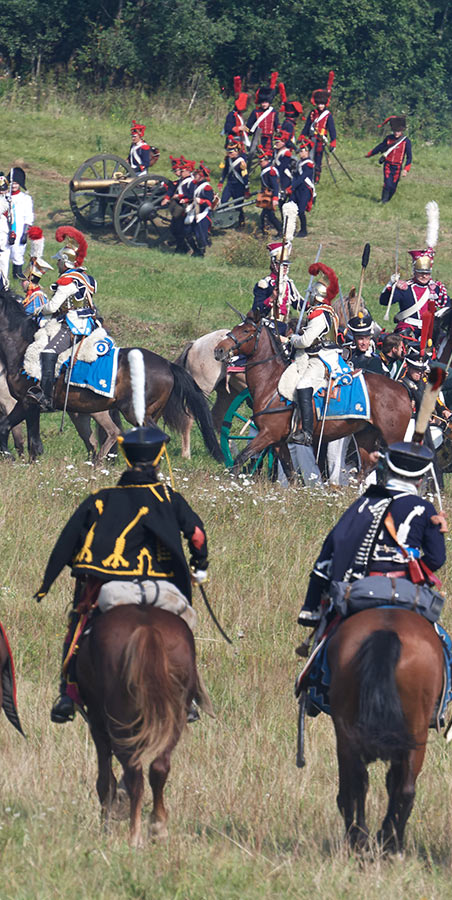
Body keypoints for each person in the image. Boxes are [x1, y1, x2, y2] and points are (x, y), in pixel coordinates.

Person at [34, 423, 209, 723]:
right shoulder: (170, 497)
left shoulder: (102, 498)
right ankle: (187, 694)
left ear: (126, 457)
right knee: (183, 627)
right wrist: (200, 566)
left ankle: (68, 694)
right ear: (159, 458)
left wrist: (63, 574)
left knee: (79, 622)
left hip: (113, 588)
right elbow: (197, 536)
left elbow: (70, 539)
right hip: (162, 588)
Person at [298, 441, 447, 626]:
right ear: (420, 479)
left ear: (388, 470)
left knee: (327, 631)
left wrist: (314, 599)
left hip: (364, 584)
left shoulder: (367, 502)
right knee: (441, 640)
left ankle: (311, 613)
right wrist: (411, 571)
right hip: (407, 587)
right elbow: (437, 558)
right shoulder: (426, 508)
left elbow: (335, 543)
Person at [30, 226, 98, 410]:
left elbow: (52, 306)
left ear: (65, 262)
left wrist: (39, 310)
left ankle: (46, 398)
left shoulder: (67, 281)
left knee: (48, 352)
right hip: (90, 322)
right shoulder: (85, 277)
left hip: (74, 324)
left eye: (59, 260)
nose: (58, 264)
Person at [287, 263, 340, 445]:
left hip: (322, 358)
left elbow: (305, 341)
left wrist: (293, 339)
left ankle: (307, 432)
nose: (308, 297)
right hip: (320, 355)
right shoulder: (327, 312)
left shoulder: (318, 315)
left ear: (316, 296)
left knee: (303, 385)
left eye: (311, 294)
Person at [379, 203, 449, 340]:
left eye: (427, 273)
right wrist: (391, 285)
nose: (424, 276)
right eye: (421, 272)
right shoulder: (405, 287)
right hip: (408, 329)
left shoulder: (437, 288)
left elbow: (447, 308)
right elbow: (384, 301)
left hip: (430, 331)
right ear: (414, 272)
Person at [365, 116, 412, 203]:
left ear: (402, 130)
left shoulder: (406, 141)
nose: (396, 133)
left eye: (398, 131)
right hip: (387, 164)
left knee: (393, 187)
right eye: (395, 131)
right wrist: (370, 154)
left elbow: (409, 157)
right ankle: (383, 201)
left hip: (398, 167)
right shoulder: (388, 138)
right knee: (387, 184)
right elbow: (380, 147)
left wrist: (406, 169)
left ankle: (387, 200)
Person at [300, 72, 336, 184]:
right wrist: (302, 135)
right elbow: (307, 126)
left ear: (325, 104)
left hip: (321, 139)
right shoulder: (312, 113)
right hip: (311, 138)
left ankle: (316, 178)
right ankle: (308, 176)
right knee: (309, 158)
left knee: (318, 159)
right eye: (319, 103)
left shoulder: (328, 115)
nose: (320, 105)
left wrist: (333, 141)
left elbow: (332, 129)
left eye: (322, 104)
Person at [252, 241, 303, 320]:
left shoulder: (288, 283)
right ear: (273, 264)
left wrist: (311, 306)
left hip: (285, 320)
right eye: (282, 264)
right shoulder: (264, 284)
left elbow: (297, 302)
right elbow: (257, 308)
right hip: (267, 321)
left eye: (286, 265)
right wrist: (271, 298)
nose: (285, 267)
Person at [7, 167, 34, 281]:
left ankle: (16, 277)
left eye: (16, 183)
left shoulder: (25, 199)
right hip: (5, 229)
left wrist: (25, 233)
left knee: (17, 254)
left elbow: (28, 217)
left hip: (19, 230)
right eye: (12, 183)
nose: (13, 186)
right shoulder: (5, 197)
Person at [217, 136, 249, 227]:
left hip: (239, 186)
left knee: (238, 206)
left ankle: (241, 222)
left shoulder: (241, 162)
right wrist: (221, 182)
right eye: (228, 152)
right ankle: (228, 219)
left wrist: (246, 189)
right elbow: (225, 171)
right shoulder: (228, 159)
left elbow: (245, 176)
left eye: (231, 152)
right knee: (223, 202)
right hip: (230, 185)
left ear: (237, 151)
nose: (229, 154)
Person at [20, 226, 53, 316]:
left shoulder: (37, 297)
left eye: (23, 280)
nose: (21, 283)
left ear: (30, 281)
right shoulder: (32, 295)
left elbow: (28, 316)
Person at [186, 162, 216, 257]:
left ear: (202, 176)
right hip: (194, 211)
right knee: (187, 232)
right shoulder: (196, 185)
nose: (195, 175)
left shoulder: (207, 187)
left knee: (200, 236)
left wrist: (201, 200)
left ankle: (201, 253)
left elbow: (209, 203)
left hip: (203, 214)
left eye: (197, 174)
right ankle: (195, 250)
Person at [245, 78, 279, 158]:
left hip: (269, 138)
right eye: (262, 102)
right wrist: (245, 135)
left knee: (270, 156)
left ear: (269, 102)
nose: (264, 104)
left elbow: (276, 123)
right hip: (258, 138)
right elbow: (249, 125)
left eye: (266, 102)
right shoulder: (255, 112)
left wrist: (278, 130)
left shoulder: (273, 112)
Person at [291, 136, 316, 237]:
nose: (300, 153)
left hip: (305, 189)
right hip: (298, 188)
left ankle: (304, 230)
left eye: (302, 151)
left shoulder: (309, 164)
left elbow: (303, 177)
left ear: (307, 152)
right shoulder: (300, 162)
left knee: (301, 210)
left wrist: (292, 186)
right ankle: (291, 228)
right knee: (291, 207)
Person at [258, 149, 282, 237]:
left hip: (271, 195)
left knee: (269, 216)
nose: (260, 163)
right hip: (266, 194)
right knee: (265, 215)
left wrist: (275, 198)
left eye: (262, 161)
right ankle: (264, 232)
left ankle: (280, 231)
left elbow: (275, 186)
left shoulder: (271, 171)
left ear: (267, 160)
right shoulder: (266, 170)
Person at [222, 76, 249, 148]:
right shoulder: (231, 115)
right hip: (232, 141)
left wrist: (247, 129)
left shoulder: (240, 115)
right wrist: (239, 128)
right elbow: (227, 129)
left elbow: (245, 129)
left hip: (240, 141)